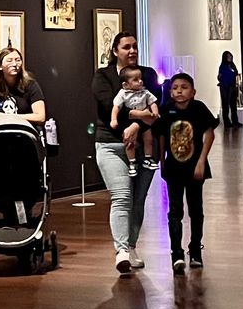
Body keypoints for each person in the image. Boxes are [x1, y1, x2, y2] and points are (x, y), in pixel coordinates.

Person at [90, 31, 160, 275]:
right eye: (126, 47)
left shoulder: (148, 75)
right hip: (111, 145)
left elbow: (156, 106)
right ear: (115, 51)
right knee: (122, 197)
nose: (131, 51)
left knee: (138, 200)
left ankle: (131, 246)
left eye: (134, 47)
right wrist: (138, 117)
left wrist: (135, 126)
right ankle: (121, 251)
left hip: (144, 146)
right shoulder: (103, 76)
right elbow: (109, 106)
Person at [158, 72, 218, 274]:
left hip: (194, 168)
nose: (179, 91)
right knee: (174, 210)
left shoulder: (198, 108)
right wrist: (161, 161)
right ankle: (176, 253)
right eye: (175, 87)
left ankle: (195, 250)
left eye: (184, 87)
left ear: (193, 91)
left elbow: (209, 133)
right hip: (173, 168)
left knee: (195, 210)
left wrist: (202, 161)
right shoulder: (166, 110)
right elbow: (161, 137)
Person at [0, 47, 46, 125]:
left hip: (24, 131)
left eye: (18, 60)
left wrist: (6, 117)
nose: (14, 64)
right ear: (0, 66)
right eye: (9, 60)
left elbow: (40, 117)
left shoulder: (30, 84)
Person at [114, 65, 159, 177]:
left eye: (140, 78)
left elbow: (152, 102)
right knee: (130, 142)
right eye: (135, 80)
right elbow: (116, 107)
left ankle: (148, 158)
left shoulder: (145, 92)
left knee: (148, 139)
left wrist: (155, 112)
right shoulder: (122, 94)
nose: (140, 81)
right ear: (125, 84)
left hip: (145, 122)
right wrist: (113, 119)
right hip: (129, 123)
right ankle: (132, 162)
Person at [216, 51, 240, 128]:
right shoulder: (222, 66)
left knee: (233, 106)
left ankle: (235, 122)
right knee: (225, 105)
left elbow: (236, 73)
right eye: (228, 56)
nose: (230, 58)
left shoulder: (232, 65)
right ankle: (227, 122)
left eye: (230, 56)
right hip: (225, 88)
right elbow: (220, 76)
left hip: (232, 87)